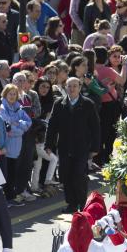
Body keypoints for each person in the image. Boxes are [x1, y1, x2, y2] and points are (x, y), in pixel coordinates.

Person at [45, 77, 100, 213]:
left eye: (75, 86)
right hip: (64, 146)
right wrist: (49, 144)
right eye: (69, 86)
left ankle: (82, 203)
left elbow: (95, 127)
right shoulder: (59, 104)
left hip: (82, 147)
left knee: (79, 176)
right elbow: (52, 126)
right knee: (66, 175)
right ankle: (71, 204)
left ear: (80, 87)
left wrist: (95, 148)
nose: (72, 89)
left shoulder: (88, 104)